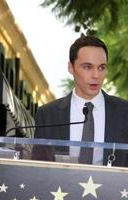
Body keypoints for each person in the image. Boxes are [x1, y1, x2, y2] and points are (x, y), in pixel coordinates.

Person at [34, 35, 128, 167]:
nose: (96, 75)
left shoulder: (124, 112)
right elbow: (38, 168)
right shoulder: (48, 114)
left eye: (101, 67)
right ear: (71, 68)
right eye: (87, 67)